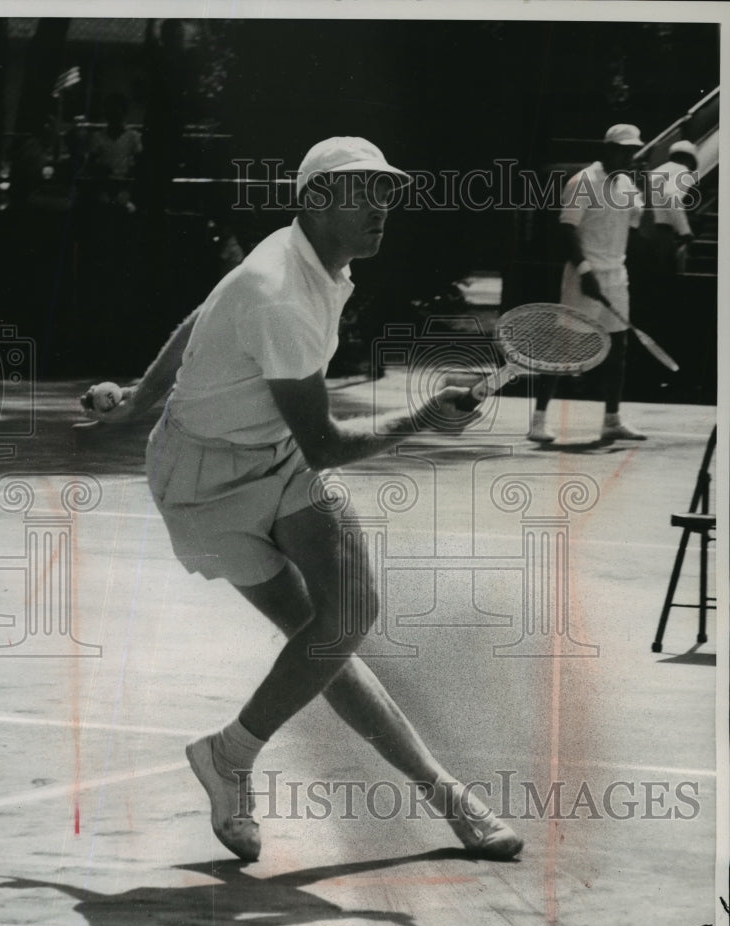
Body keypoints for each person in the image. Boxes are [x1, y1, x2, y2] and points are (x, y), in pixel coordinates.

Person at [81, 136, 523, 864]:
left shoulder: (319, 262)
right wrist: (422, 419)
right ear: (315, 201)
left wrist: (136, 399)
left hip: (274, 452)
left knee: (344, 618)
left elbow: (204, 315)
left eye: (387, 192)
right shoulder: (278, 290)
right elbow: (323, 442)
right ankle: (237, 759)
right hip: (205, 483)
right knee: (325, 642)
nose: (382, 207)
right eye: (362, 193)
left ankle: (433, 795)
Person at [528, 123, 648, 444]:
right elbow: (566, 229)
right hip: (583, 275)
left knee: (618, 348)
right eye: (623, 149)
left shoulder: (630, 187)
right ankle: (538, 421)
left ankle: (612, 420)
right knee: (564, 347)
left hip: (616, 277)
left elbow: (638, 232)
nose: (629, 155)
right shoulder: (582, 182)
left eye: (632, 150)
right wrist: (584, 271)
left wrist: (651, 195)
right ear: (607, 149)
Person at [649, 138, 699, 277]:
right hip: (662, 233)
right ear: (690, 160)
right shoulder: (683, 171)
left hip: (645, 230)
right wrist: (685, 231)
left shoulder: (657, 171)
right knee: (665, 276)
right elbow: (672, 197)